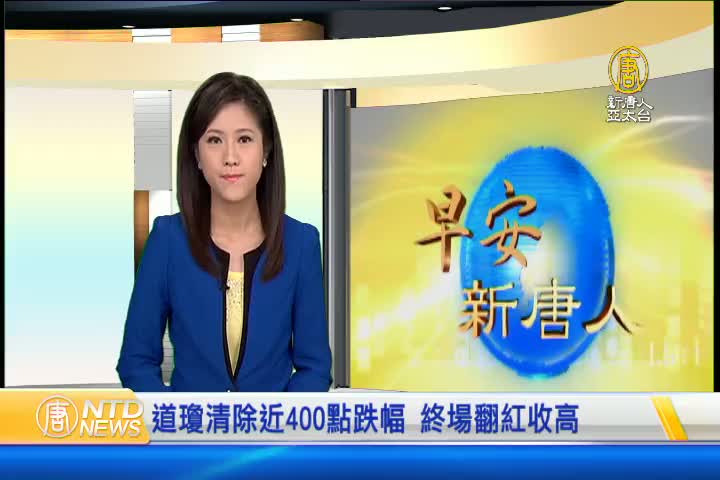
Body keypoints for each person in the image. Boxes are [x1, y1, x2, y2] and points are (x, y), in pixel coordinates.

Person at [117, 73, 332, 392]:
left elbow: (315, 368)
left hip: (273, 423)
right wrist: (173, 419)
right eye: (214, 140)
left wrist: (280, 419)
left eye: (244, 139)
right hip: (188, 423)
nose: (230, 158)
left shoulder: (301, 244)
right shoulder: (167, 240)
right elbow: (136, 362)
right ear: (196, 154)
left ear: (266, 150)